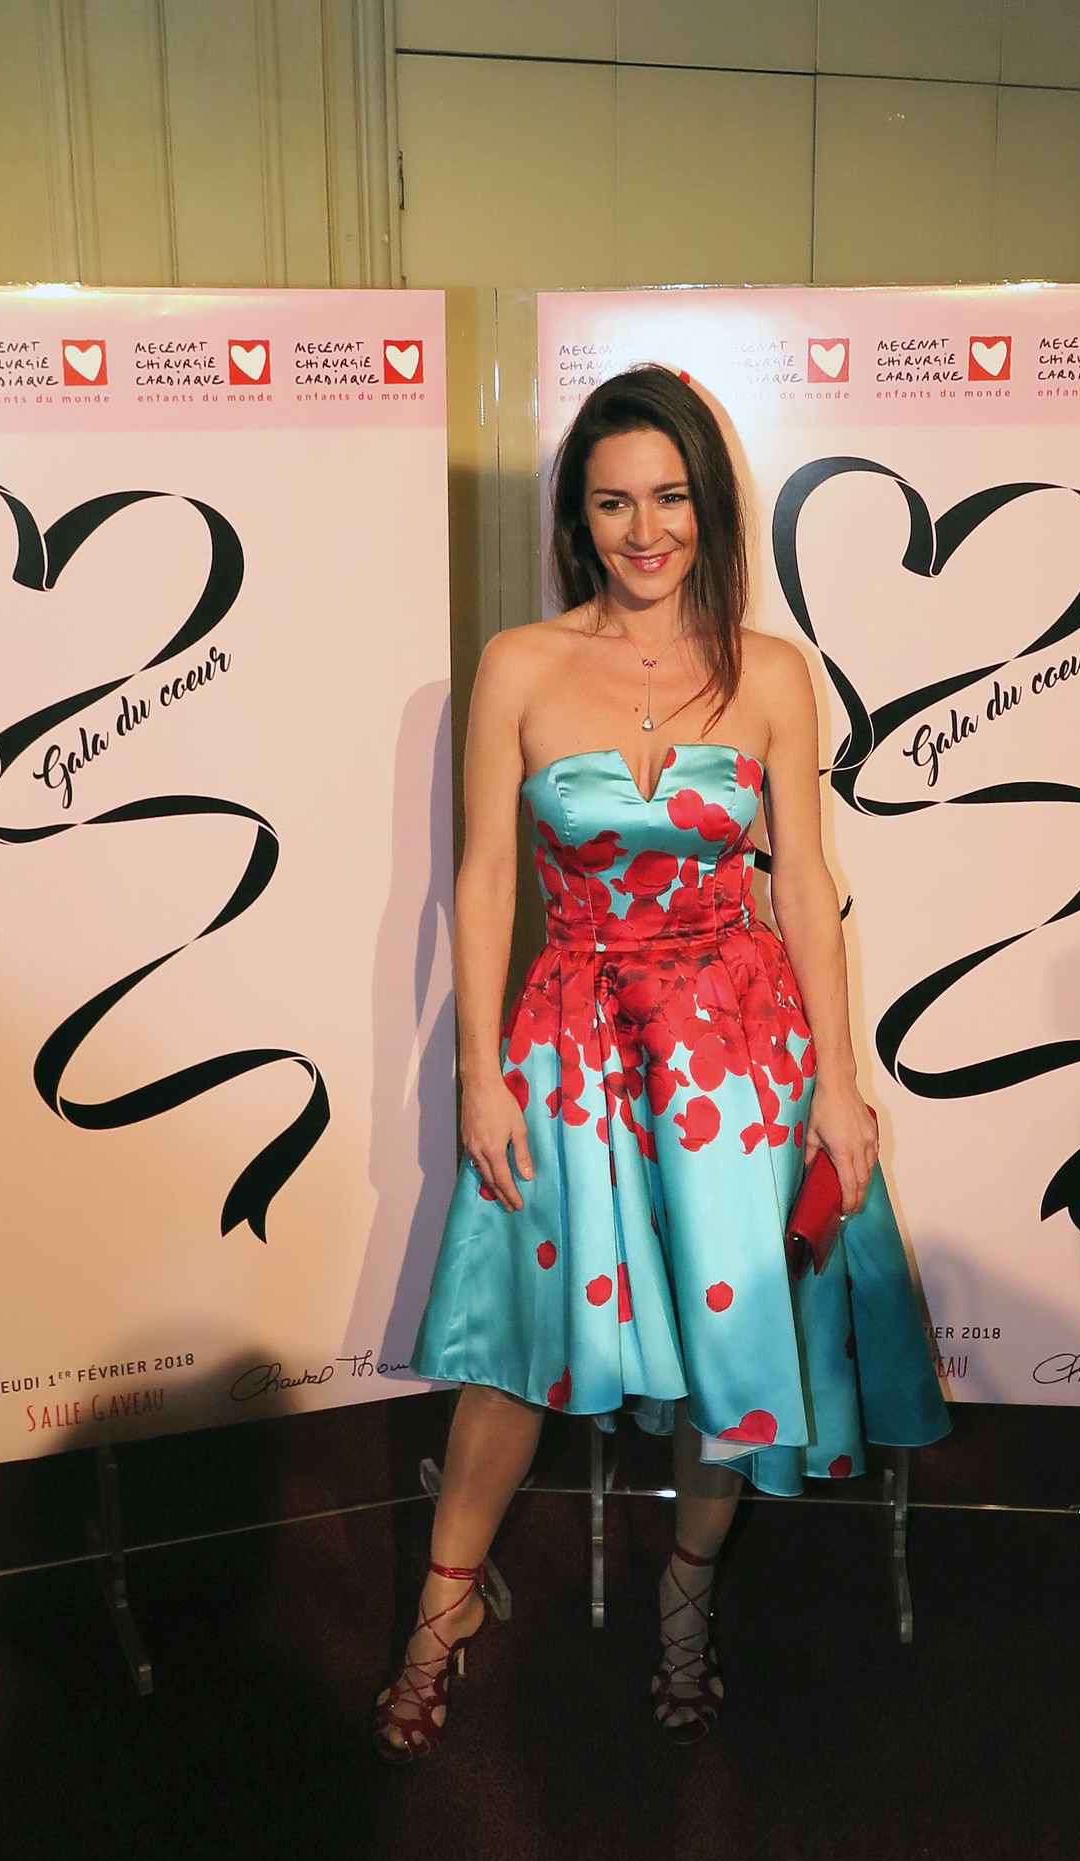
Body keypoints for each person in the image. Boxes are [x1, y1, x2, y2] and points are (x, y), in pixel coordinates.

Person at [376, 367, 948, 1761]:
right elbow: (485, 880)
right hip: (573, 1043)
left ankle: (687, 1600)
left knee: (721, 1338)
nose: (645, 531)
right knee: (513, 1347)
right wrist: (476, 1073)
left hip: (734, 1053)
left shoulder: (772, 672)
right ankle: (444, 1606)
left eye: (671, 497)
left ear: (709, 504)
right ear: (578, 516)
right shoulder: (519, 663)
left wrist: (837, 1080)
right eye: (614, 502)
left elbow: (802, 883)